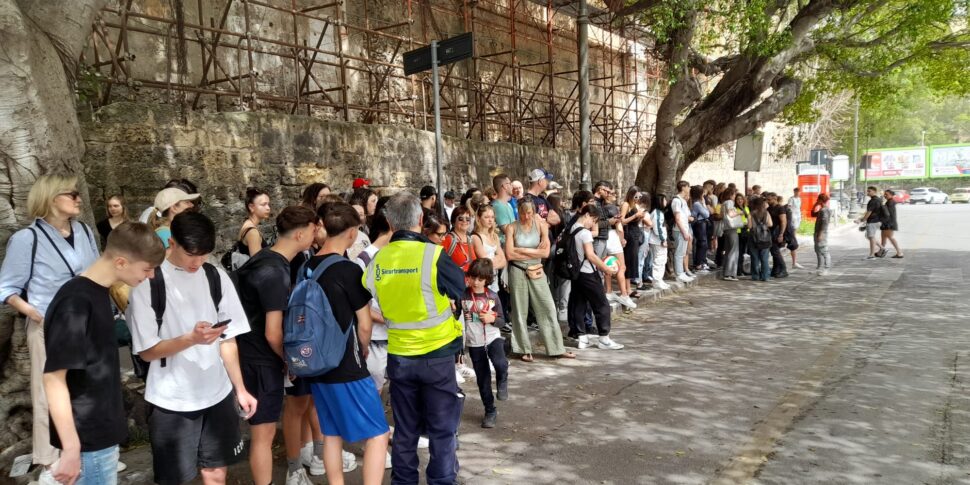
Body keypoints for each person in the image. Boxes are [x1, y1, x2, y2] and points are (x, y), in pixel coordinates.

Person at [127, 211, 256, 485]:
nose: (197, 262)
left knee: (217, 473)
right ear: (171, 243)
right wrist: (191, 339)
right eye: (191, 254)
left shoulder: (215, 277)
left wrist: (240, 389)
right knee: (175, 478)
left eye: (204, 254)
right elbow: (147, 352)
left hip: (217, 392)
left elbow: (228, 339)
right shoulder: (149, 283)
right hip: (170, 399)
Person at [42, 222, 165, 485]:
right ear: (121, 262)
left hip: (100, 433)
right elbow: (53, 378)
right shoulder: (75, 303)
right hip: (88, 439)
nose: (151, 276)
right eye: (147, 268)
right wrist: (72, 448)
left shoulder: (98, 293)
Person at [0, 174, 101, 478]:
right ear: (52, 198)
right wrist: (34, 312)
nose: (79, 198)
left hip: (86, 323)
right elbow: (6, 288)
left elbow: (96, 270)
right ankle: (49, 460)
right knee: (47, 394)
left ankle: (88, 451)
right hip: (49, 326)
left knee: (87, 388)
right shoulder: (26, 239)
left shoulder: (83, 230)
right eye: (72, 194)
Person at [362, 192, 466, 485]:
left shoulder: (379, 260)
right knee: (442, 428)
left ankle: (403, 481)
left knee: (405, 428)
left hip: (399, 356)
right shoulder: (434, 254)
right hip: (437, 355)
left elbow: (366, 290)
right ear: (421, 220)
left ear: (390, 223)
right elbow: (459, 287)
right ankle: (442, 480)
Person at [303, 202, 390, 485]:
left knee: (331, 433)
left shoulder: (307, 266)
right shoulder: (349, 270)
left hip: (315, 361)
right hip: (346, 363)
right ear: (352, 233)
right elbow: (364, 324)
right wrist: (362, 348)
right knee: (378, 432)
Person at [235, 206, 318, 485]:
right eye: (312, 229)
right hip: (259, 358)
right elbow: (273, 332)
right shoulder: (275, 272)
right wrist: (288, 360)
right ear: (299, 233)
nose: (315, 234)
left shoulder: (264, 260)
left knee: (263, 432)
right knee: (263, 434)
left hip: (248, 353)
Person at [504, 199, 576, 362]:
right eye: (523, 212)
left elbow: (545, 253)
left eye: (529, 212)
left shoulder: (541, 225)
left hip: (536, 270)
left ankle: (556, 347)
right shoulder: (512, 228)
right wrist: (533, 251)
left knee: (548, 307)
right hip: (517, 270)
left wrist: (520, 249)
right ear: (518, 212)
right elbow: (509, 255)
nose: (526, 216)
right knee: (519, 310)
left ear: (534, 212)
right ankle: (522, 348)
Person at [568, 204, 625, 350]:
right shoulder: (585, 233)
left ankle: (581, 337)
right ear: (587, 215)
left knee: (579, 304)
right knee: (601, 304)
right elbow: (591, 255)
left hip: (576, 273)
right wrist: (605, 268)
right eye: (593, 220)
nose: (593, 224)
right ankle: (604, 338)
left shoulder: (573, 227)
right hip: (588, 272)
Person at [461, 259, 509, 429]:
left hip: (492, 337)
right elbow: (457, 319)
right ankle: (490, 410)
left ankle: (503, 378)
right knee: (483, 379)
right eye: (472, 278)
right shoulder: (463, 295)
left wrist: (492, 318)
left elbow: (503, 320)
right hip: (475, 343)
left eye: (480, 279)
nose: (475, 282)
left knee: (500, 363)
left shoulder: (493, 296)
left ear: (487, 280)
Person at [234, 187, 271, 267]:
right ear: (251, 207)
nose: (268, 208)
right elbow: (258, 264)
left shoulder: (248, 224)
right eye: (263, 204)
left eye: (268, 204)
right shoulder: (252, 232)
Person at [619, 187, 645, 294]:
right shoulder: (626, 204)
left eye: (639, 196)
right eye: (636, 196)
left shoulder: (635, 205)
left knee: (633, 260)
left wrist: (640, 216)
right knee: (629, 260)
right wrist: (635, 215)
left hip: (635, 233)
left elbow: (636, 221)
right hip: (629, 234)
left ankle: (629, 288)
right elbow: (622, 220)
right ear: (631, 195)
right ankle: (627, 289)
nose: (637, 198)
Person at [670, 181, 694, 283]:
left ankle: (681, 272)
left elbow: (687, 217)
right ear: (683, 187)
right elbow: (678, 218)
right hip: (679, 230)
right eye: (688, 187)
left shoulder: (683, 201)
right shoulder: (676, 201)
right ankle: (679, 274)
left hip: (684, 229)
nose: (689, 189)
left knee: (683, 252)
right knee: (679, 253)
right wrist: (684, 232)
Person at [442, 206, 477, 272]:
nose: (464, 221)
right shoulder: (448, 239)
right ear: (453, 222)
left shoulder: (469, 239)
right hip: (454, 280)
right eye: (461, 218)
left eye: (467, 219)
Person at [647, 194, 671, 290]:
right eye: (665, 200)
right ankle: (657, 280)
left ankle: (659, 279)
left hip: (658, 240)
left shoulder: (659, 212)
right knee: (659, 260)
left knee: (662, 260)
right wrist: (663, 239)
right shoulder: (657, 213)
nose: (666, 202)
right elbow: (657, 228)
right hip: (657, 241)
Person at [856, 186, 886, 260]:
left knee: (871, 237)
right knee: (869, 236)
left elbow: (869, 212)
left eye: (869, 191)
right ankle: (882, 248)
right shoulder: (879, 200)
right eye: (867, 191)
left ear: (874, 191)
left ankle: (872, 255)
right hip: (877, 220)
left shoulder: (873, 201)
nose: (868, 192)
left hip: (872, 221)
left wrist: (862, 220)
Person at [748, 196, 773, 282]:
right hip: (765, 238)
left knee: (754, 257)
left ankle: (755, 276)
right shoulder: (766, 213)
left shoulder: (751, 213)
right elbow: (770, 224)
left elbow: (749, 226)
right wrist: (763, 226)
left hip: (754, 238)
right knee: (764, 258)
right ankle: (765, 276)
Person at [719, 188, 740, 281]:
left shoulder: (723, 203)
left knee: (728, 251)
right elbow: (731, 214)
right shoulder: (729, 203)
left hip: (726, 229)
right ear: (731, 194)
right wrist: (740, 212)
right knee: (733, 251)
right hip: (732, 229)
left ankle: (726, 272)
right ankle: (730, 274)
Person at [766, 193, 789, 278]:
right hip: (771, 232)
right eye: (767, 199)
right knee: (773, 251)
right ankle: (776, 270)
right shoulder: (768, 209)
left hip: (777, 232)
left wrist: (781, 234)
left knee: (775, 251)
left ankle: (784, 270)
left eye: (769, 199)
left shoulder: (780, 208)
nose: (768, 201)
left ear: (775, 199)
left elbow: (783, 222)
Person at [689, 186, 711, 273]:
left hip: (700, 224)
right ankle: (698, 264)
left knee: (702, 244)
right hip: (700, 224)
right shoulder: (697, 204)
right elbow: (706, 214)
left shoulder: (695, 202)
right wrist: (704, 203)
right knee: (702, 243)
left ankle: (700, 263)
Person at [812, 193, 832, 276]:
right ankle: (819, 268)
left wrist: (820, 234)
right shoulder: (821, 209)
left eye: (818, 199)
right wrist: (815, 205)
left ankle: (827, 269)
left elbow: (824, 223)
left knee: (824, 251)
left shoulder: (825, 210)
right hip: (817, 232)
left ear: (821, 200)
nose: (817, 200)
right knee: (817, 251)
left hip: (822, 233)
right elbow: (813, 214)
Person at [491, 174, 516, 240]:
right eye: (510, 183)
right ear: (505, 186)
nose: (512, 186)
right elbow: (507, 231)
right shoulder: (498, 206)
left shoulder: (508, 204)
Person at [882, 190, 904, 258]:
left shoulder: (890, 202)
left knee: (890, 237)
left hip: (889, 223)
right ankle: (881, 251)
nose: (885, 195)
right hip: (887, 222)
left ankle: (899, 252)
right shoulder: (889, 202)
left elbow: (888, 214)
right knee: (883, 237)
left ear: (891, 195)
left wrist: (882, 206)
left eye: (887, 194)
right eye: (884, 194)